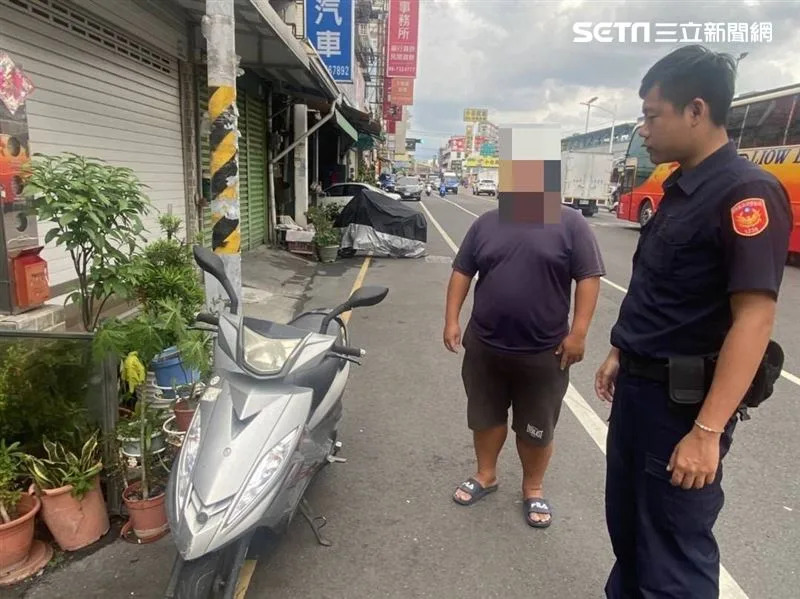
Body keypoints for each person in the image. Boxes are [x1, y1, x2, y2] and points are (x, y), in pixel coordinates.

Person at [594, 45, 792, 598]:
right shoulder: (678, 190)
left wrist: (706, 433)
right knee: (630, 532)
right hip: (639, 391)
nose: (643, 128)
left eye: (653, 115)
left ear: (696, 111)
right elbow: (658, 290)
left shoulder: (745, 193)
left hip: (681, 408)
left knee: (674, 554)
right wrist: (619, 351)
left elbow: (754, 319)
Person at [444, 204, 605, 527]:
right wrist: (451, 320)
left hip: (544, 351)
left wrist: (579, 333)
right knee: (485, 416)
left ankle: (533, 486)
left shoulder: (570, 224)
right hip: (486, 345)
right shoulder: (486, 223)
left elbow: (588, 278)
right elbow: (462, 271)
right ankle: (485, 475)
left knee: (537, 426)